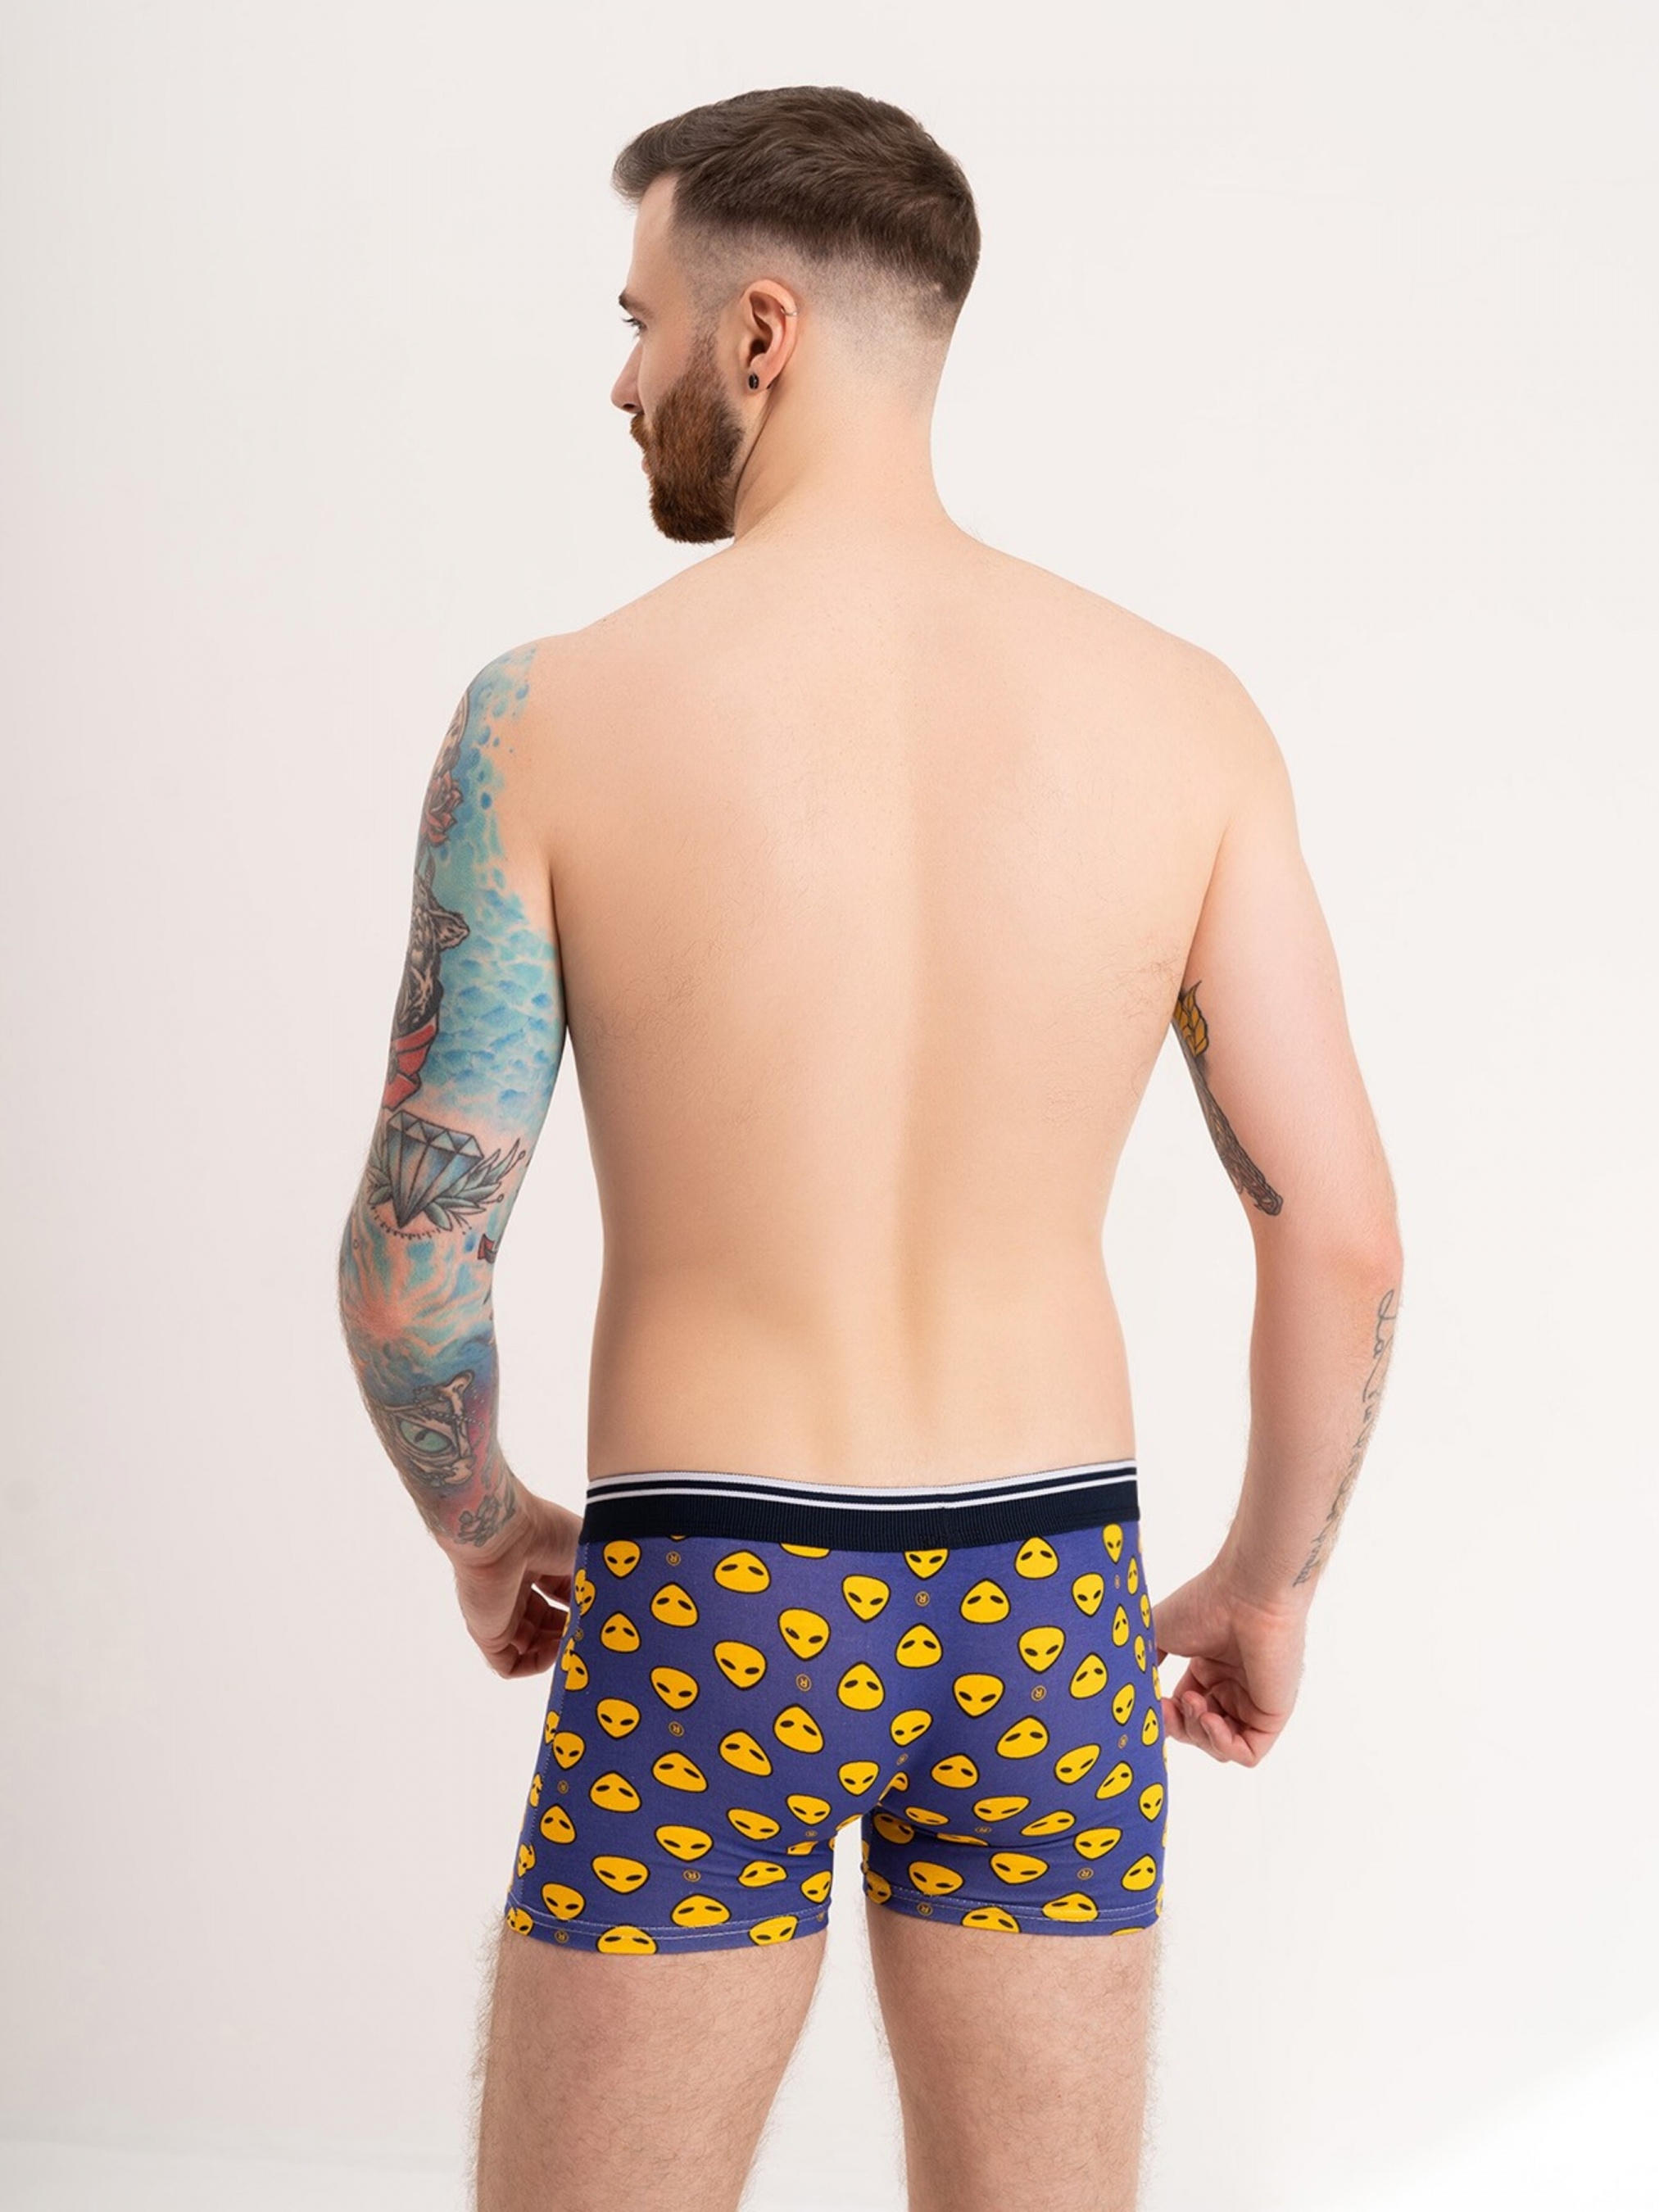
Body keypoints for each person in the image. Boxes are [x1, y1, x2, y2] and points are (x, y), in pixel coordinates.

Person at [335, 83, 1403, 2212]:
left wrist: (483, 1522)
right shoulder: (1180, 714)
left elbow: (415, 1255)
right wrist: (1263, 1585)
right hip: (1045, 1595)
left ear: (759, 332)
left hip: (711, 1573)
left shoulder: (548, 719)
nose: (619, 377)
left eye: (638, 320)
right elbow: (1343, 1238)